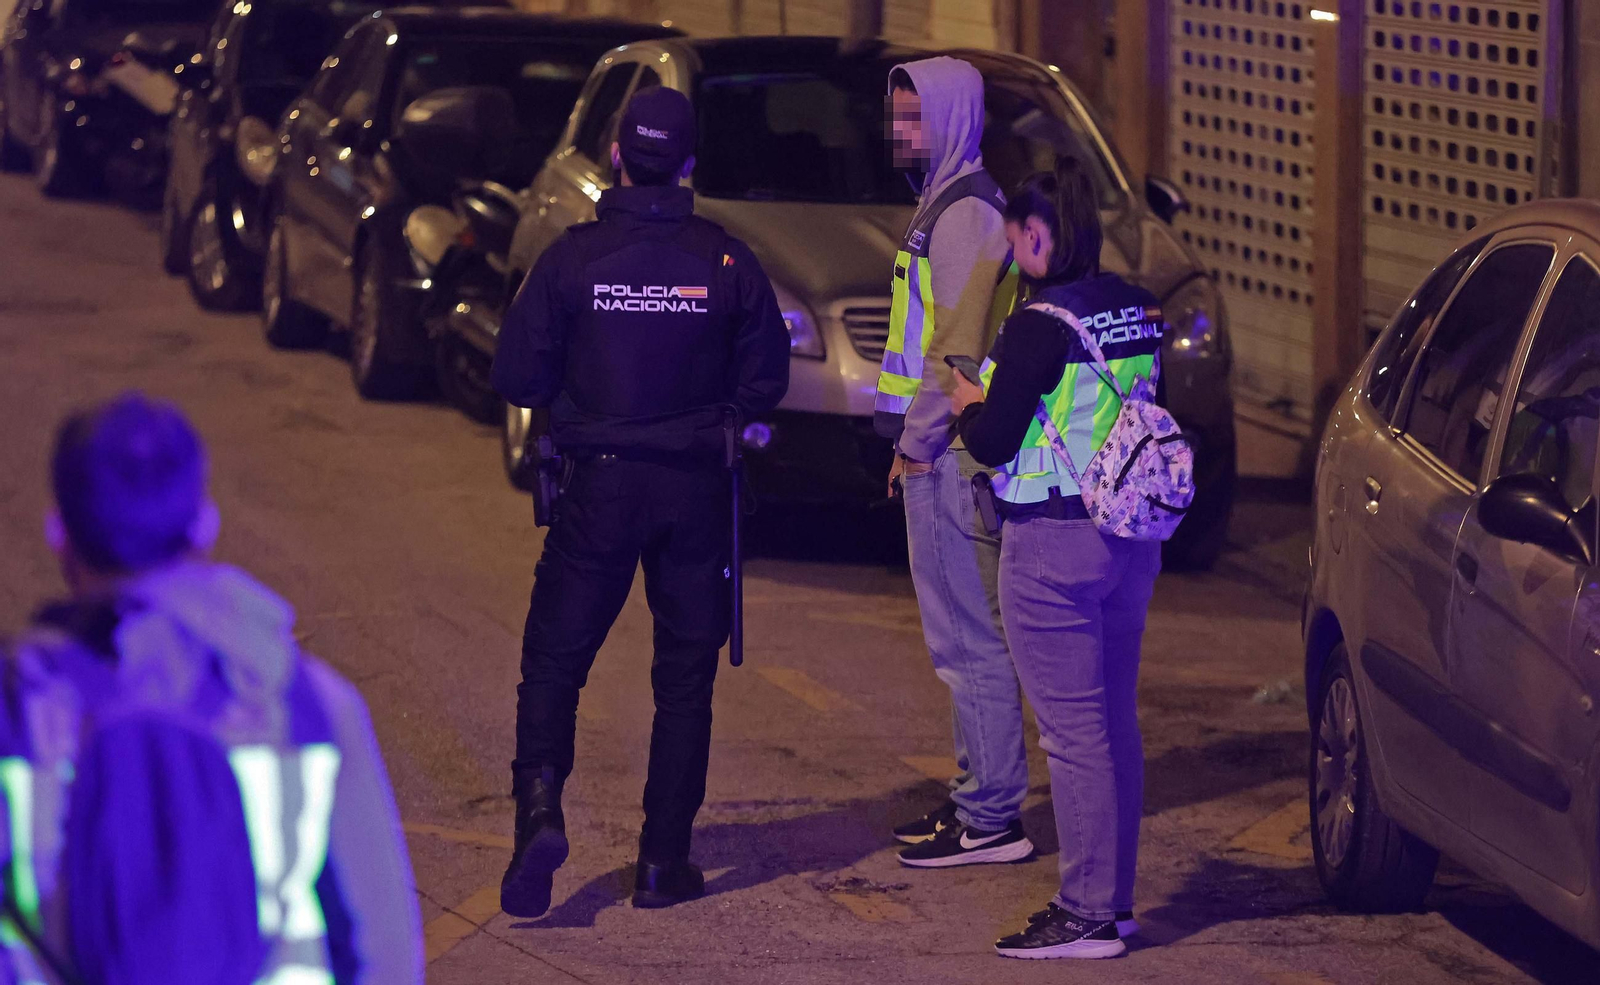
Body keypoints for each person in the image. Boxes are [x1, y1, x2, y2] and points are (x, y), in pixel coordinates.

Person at [0, 392, 424, 983]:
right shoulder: (304, 702)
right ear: (204, 523)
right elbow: (384, 952)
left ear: (59, 535)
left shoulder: (18, 709)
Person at [491, 86, 789, 917]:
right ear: (690, 165)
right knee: (684, 679)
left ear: (618, 155)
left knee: (555, 661)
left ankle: (541, 810)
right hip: (695, 488)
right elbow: (767, 380)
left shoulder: (573, 259)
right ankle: (663, 860)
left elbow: (516, 374)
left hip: (599, 485)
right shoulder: (726, 260)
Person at [952, 159, 1165, 959]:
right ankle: (1114, 902)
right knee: (1114, 723)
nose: (1011, 256)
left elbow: (996, 439)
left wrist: (971, 406)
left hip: (1051, 543)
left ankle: (1085, 913)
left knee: (1073, 735)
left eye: (1014, 242)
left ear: (1039, 234)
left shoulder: (1038, 323)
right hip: (1130, 538)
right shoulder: (1137, 309)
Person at [877, 57, 1031, 867]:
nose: (901, 133)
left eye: (915, 118)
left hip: (948, 455)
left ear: (955, 118)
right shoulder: (948, 202)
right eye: (897, 116)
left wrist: (915, 442)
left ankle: (992, 816)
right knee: (962, 640)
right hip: (944, 449)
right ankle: (979, 799)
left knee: (967, 641)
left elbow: (953, 350)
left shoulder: (965, 212)